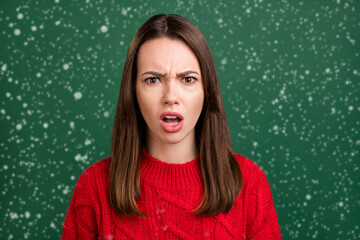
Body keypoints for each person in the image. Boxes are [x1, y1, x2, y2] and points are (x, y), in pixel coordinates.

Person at [61, 14, 281, 239]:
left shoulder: (250, 185)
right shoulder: (94, 187)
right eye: (153, 79)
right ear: (133, 92)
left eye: (187, 79)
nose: (170, 97)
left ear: (207, 90)